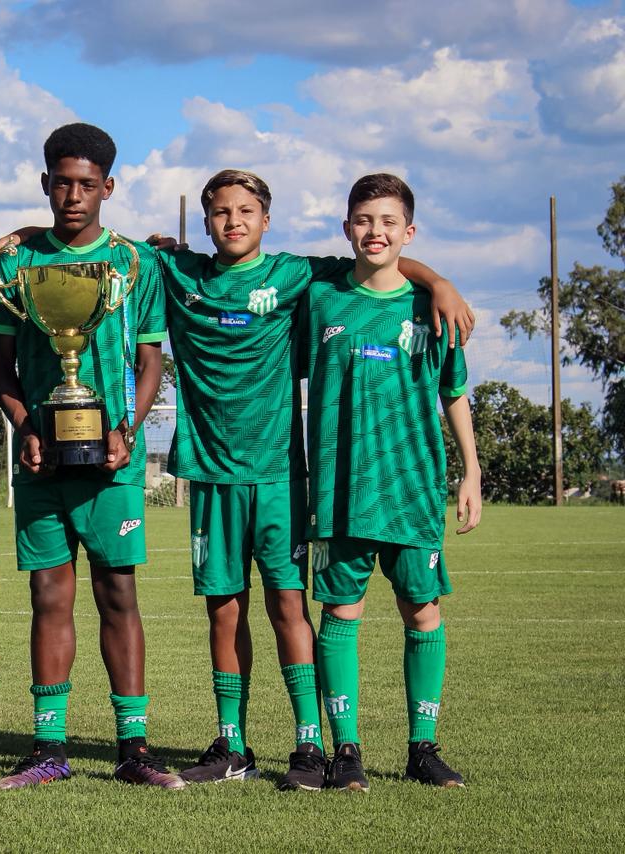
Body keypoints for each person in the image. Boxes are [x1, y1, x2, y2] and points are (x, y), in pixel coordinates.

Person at [151, 170, 474, 791]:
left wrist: (439, 282)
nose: (234, 221)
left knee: (396, 609)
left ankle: (378, 746)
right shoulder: (316, 292)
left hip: (364, 483)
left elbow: (448, 381)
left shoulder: (322, 281)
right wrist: (22, 234)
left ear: (267, 219)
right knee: (271, 609)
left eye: (247, 211)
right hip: (303, 486)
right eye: (221, 212)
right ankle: (299, 747)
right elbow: (102, 244)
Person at [0, 123, 181, 790]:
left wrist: (127, 428)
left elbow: (150, 359)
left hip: (111, 459)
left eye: (87, 185)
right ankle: (48, 749)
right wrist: (23, 425)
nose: (74, 196)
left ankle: (134, 748)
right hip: (42, 457)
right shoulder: (14, 263)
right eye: (63, 183)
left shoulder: (135, 263)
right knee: (48, 595)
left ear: (108, 187)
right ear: (46, 183)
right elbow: (1, 364)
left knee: (118, 592)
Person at [302, 173, 482, 791]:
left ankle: (422, 748)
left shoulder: (432, 307)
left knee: (422, 611)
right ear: (346, 227)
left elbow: (453, 391)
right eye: (363, 220)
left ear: (409, 231)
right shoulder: (320, 297)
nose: (374, 232)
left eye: (387, 222)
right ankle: (345, 750)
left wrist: (471, 471)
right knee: (340, 611)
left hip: (413, 488)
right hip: (339, 491)